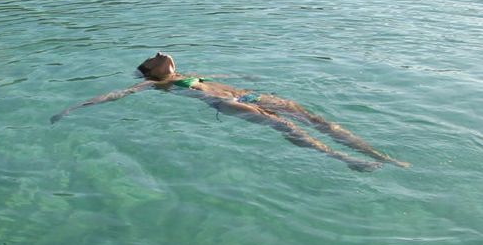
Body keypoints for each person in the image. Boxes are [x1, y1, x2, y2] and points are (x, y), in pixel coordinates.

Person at [51, 52, 408, 172]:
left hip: (246, 92)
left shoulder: (189, 72)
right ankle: (347, 161)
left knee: (317, 119)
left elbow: (226, 76)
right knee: (286, 126)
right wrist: (74, 107)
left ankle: (378, 155)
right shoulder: (155, 84)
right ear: (150, 70)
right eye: (152, 58)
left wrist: (246, 78)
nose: (160, 54)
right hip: (227, 103)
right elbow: (117, 94)